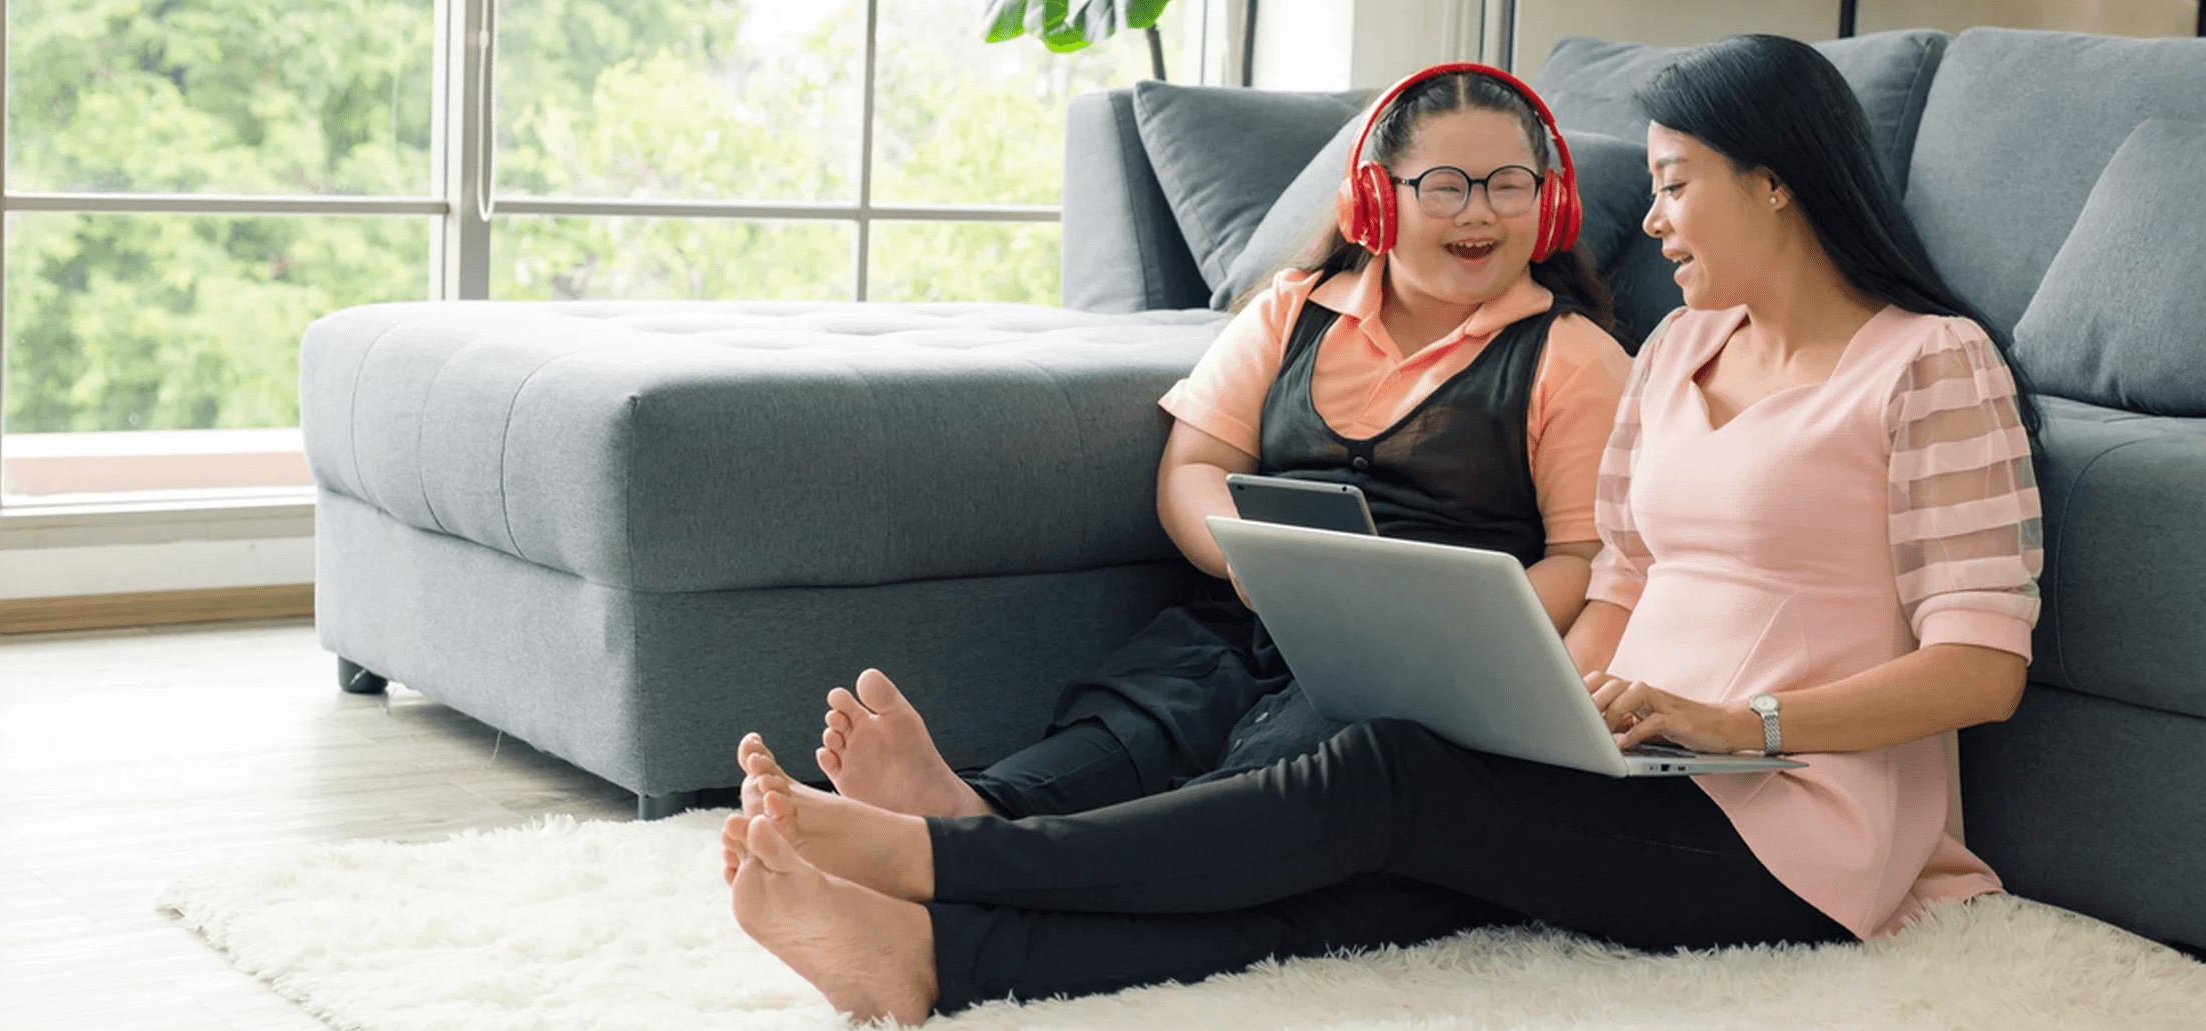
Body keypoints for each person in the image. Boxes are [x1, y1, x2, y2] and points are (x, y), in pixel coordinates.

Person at [718, 36, 2048, 1023]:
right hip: (1637, 759)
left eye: (1676, 186)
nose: (1649, 220)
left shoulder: (1931, 366)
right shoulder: (1684, 345)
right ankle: (936, 961)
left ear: (1778, 184)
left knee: (1384, 775)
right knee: (1360, 878)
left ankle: (943, 852)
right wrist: (1545, 707)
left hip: (1791, 823)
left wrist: (1742, 723)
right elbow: (1629, 577)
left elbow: (1982, 668)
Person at [806, 63, 1633, 824]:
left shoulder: (1573, 356)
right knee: (1141, 720)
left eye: (1510, 185)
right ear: (1375, 203)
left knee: (1269, 782)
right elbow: (1194, 466)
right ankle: (967, 806)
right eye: (1446, 187)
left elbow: (1584, 556)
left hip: (1417, 672)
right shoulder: (1292, 310)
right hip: (1251, 623)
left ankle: (990, 852)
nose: (1480, 211)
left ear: (1549, 202)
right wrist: (1240, 558)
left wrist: (1469, 632)